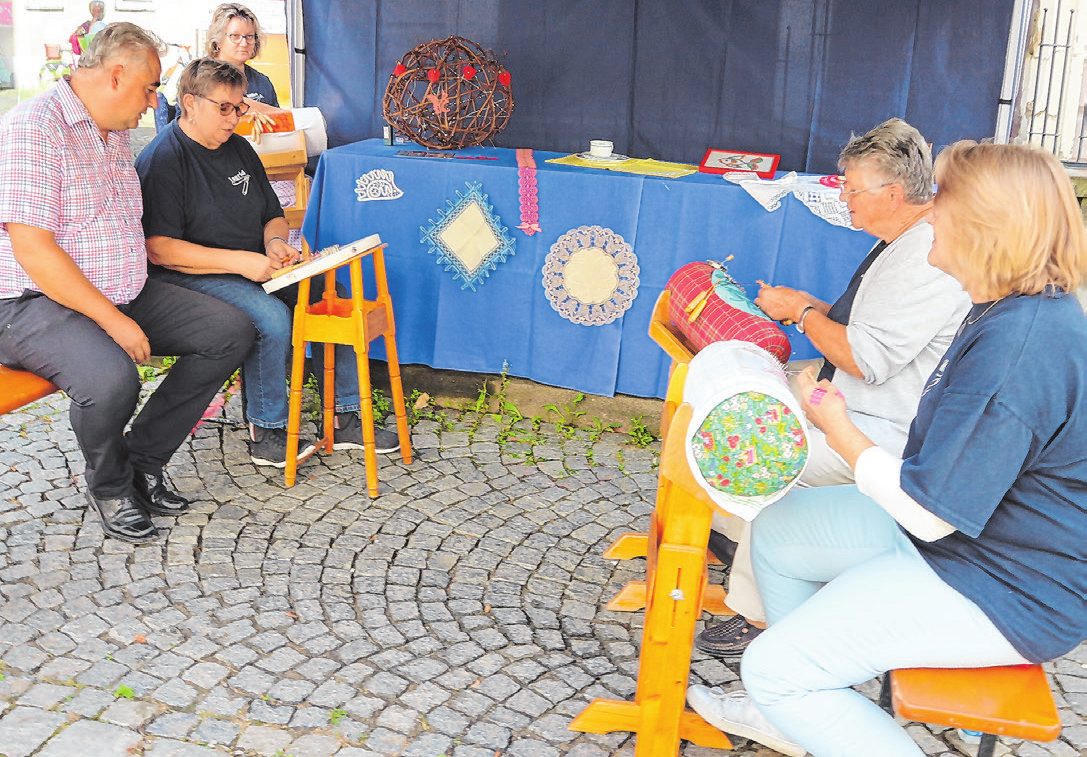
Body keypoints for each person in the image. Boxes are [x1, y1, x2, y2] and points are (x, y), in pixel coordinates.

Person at [686, 141, 1087, 757]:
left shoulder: (1020, 345)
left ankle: (794, 693)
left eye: (943, 202)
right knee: (779, 529)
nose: (929, 214)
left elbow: (930, 512)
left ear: (984, 226)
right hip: (975, 542)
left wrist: (840, 427)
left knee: (772, 669)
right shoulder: (1011, 309)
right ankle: (805, 710)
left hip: (1009, 583)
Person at [695, 118, 971, 660]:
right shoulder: (906, 239)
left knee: (768, 456)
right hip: (850, 402)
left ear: (892, 193)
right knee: (749, 409)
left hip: (879, 428)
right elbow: (870, 331)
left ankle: (761, 612)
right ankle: (733, 541)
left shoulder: (924, 255)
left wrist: (799, 312)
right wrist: (808, 306)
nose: (842, 196)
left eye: (851, 187)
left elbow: (866, 358)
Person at [0, 24, 254, 544]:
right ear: (116, 75)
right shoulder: (35, 127)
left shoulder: (112, 128)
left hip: (118, 287)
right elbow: (34, 250)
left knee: (229, 330)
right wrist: (112, 320)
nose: (154, 100)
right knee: (112, 378)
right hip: (30, 300)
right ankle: (110, 485)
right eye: (149, 86)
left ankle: (141, 461)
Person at [135, 58, 400, 468]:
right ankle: (268, 429)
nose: (235, 118)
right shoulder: (164, 159)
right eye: (224, 108)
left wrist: (275, 242)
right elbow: (160, 250)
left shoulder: (238, 146)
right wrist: (243, 263)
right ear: (189, 103)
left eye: (239, 107)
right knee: (271, 319)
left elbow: (272, 214)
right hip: (191, 276)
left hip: (254, 263)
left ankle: (346, 415)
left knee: (334, 293)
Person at [155, 3, 279, 130]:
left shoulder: (263, 82)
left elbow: (281, 124)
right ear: (218, 40)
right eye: (235, 36)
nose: (244, 42)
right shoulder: (197, 76)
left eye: (249, 36)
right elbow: (186, 127)